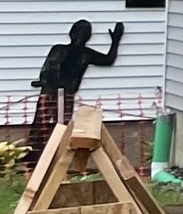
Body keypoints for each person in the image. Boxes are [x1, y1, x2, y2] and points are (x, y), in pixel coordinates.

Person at [25, 18, 122, 156]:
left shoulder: (79, 53)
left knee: (55, 125)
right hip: (55, 92)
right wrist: (115, 41)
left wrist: (116, 41)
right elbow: (47, 71)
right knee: (45, 124)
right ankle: (37, 154)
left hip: (62, 94)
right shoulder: (70, 51)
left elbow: (107, 60)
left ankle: (52, 154)